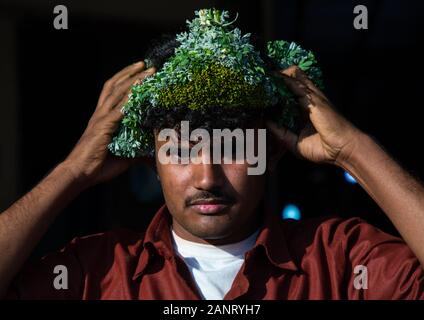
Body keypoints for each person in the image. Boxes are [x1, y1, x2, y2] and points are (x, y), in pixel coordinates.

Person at [1, 9, 423, 300]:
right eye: (182, 151)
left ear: (272, 152)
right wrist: (74, 170)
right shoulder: (94, 270)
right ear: (152, 159)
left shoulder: (343, 260)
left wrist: (352, 149)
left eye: (234, 149)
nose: (207, 177)